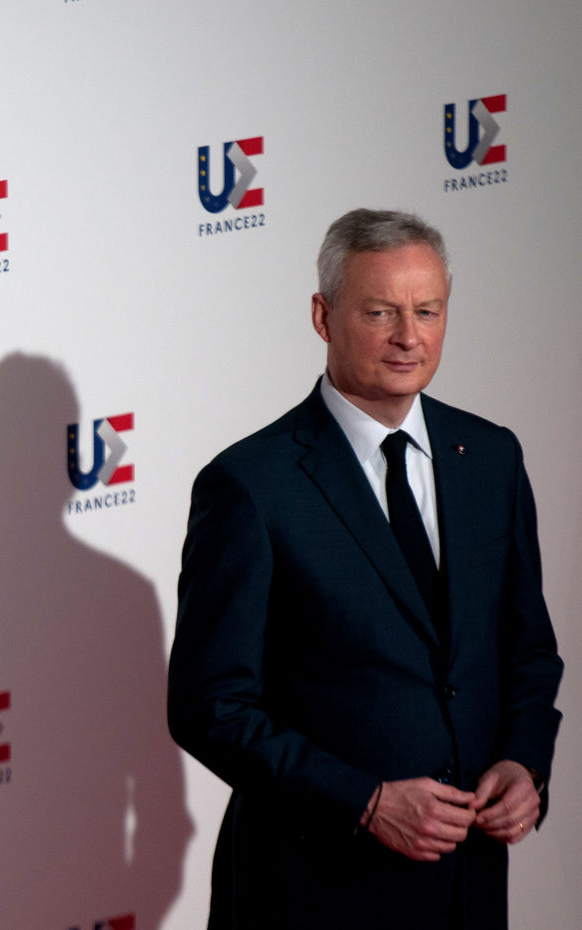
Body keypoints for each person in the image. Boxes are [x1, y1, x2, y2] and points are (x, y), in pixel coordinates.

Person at [167, 208, 563, 930]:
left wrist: (524, 760)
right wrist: (366, 802)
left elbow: (528, 647)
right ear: (323, 317)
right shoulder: (252, 485)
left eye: (427, 311)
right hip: (313, 890)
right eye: (381, 312)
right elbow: (209, 706)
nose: (409, 336)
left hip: (467, 884)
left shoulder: (491, 457)